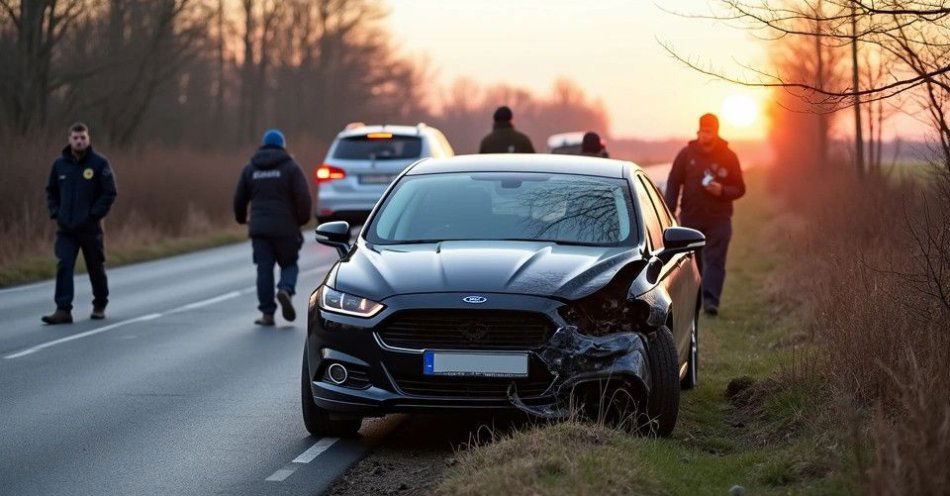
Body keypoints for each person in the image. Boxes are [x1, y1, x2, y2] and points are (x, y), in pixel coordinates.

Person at [664, 113, 745, 316]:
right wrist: (669, 211)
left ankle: (711, 301)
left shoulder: (729, 156)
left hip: (719, 219)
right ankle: (694, 303)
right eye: (701, 131)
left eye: (707, 131)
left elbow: (740, 188)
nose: (703, 135)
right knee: (694, 265)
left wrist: (723, 191)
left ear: (715, 132)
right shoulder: (686, 154)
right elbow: (673, 182)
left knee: (716, 260)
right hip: (691, 219)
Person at [233, 129, 312, 326]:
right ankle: (285, 289)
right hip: (286, 227)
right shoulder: (291, 167)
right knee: (289, 263)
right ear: (283, 145)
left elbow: (239, 198)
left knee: (264, 269)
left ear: (263, 145)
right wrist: (301, 220)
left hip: (260, 229)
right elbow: (304, 197)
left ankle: (268, 314)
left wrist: (241, 218)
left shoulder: (251, 168)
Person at [42, 123, 117, 325]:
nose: (79, 141)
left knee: (95, 267)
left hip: (90, 228)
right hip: (66, 229)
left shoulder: (99, 163)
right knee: (64, 266)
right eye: (75, 138)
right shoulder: (59, 165)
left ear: (88, 139)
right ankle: (63, 310)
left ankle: (100, 304)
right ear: (69, 139)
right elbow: (51, 191)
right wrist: (56, 213)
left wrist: (94, 214)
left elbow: (109, 192)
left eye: (82, 137)